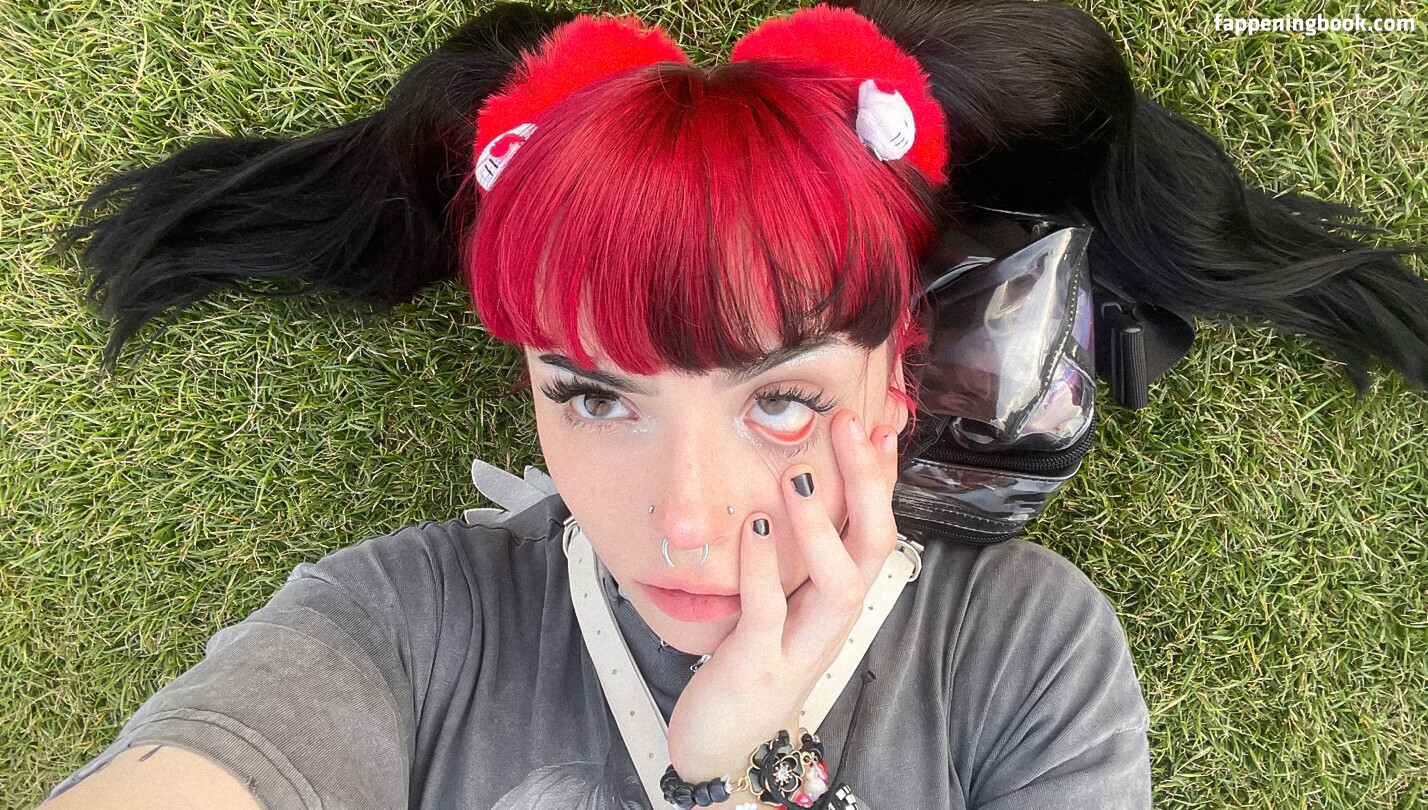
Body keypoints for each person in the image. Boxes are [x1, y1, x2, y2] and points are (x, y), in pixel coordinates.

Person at [42, 1, 1426, 808]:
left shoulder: (1023, 660)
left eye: (781, 399)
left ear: (904, 370)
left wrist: (748, 768)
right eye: (595, 394)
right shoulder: (402, 628)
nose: (688, 525)